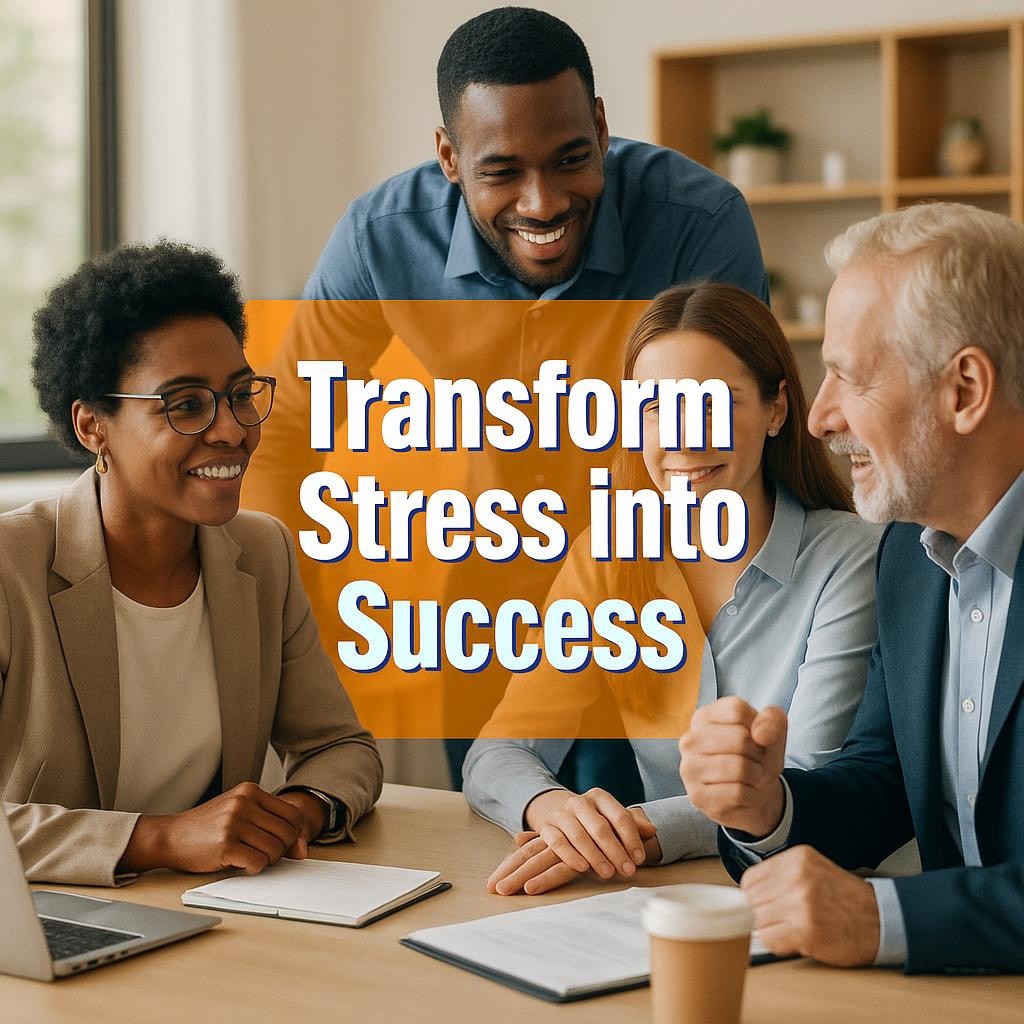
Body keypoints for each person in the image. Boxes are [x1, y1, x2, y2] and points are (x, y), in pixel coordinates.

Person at [245, 6, 768, 787]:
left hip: (668, 587)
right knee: (502, 854)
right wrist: (285, 616)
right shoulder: (380, 240)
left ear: (599, 124)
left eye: (569, 160)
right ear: (450, 157)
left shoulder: (698, 221)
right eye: (501, 172)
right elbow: (286, 434)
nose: (543, 202)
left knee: (659, 851)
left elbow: (732, 437)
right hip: (494, 600)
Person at [680, 202, 1024, 974]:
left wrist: (886, 917)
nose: (821, 414)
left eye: (849, 376)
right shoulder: (909, 553)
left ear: (964, 388)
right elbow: (881, 782)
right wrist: (768, 806)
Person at [463, 281, 882, 895]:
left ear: (776, 409)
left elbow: (799, 782)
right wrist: (556, 812)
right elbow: (498, 752)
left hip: (818, 891)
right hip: (666, 895)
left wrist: (638, 829)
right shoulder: (607, 557)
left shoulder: (851, 557)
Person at [0, 241, 383, 887]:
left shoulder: (261, 553)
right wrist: (160, 838)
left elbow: (339, 748)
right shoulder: (13, 569)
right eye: (184, 405)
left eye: (239, 394)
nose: (232, 430)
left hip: (207, 913)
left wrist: (294, 812)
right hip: (43, 925)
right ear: (93, 427)